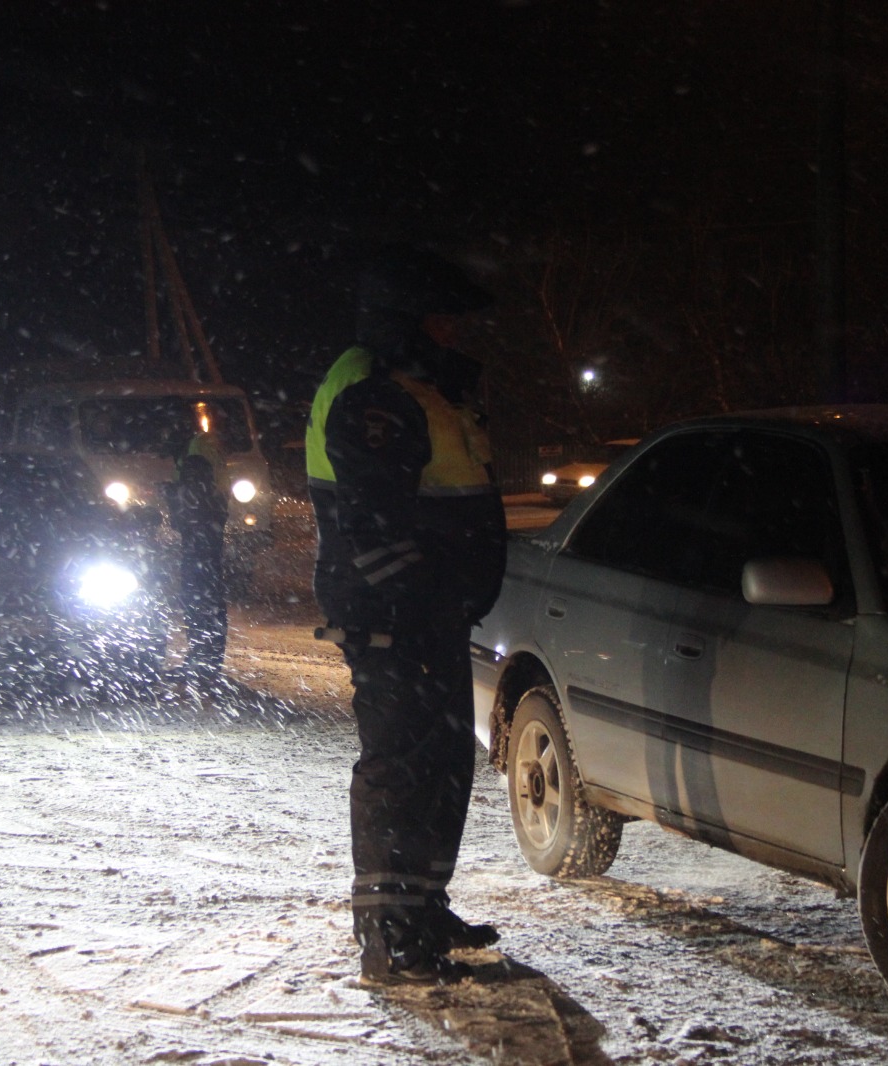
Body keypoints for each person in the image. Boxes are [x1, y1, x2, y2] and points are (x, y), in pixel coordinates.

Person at [305, 247, 507, 984]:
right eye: (443, 319)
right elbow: (371, 525)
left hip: (430, 612)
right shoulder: (377, 397)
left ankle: (422, 907)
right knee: (403, 769)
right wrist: (418, 603)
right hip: (397, 616)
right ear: (405, 322)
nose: (456, 332)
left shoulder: (418, 388)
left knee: (442, 765)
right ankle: (391, 935)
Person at [166, 432, 228, 685]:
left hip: (199, 535)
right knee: (206, 596)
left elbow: (195, 496)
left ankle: (204, 664)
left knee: (198, 596)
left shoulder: (195, 452)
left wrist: (172, 498)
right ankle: (205, 661)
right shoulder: (201, 445)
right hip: (206, 532)